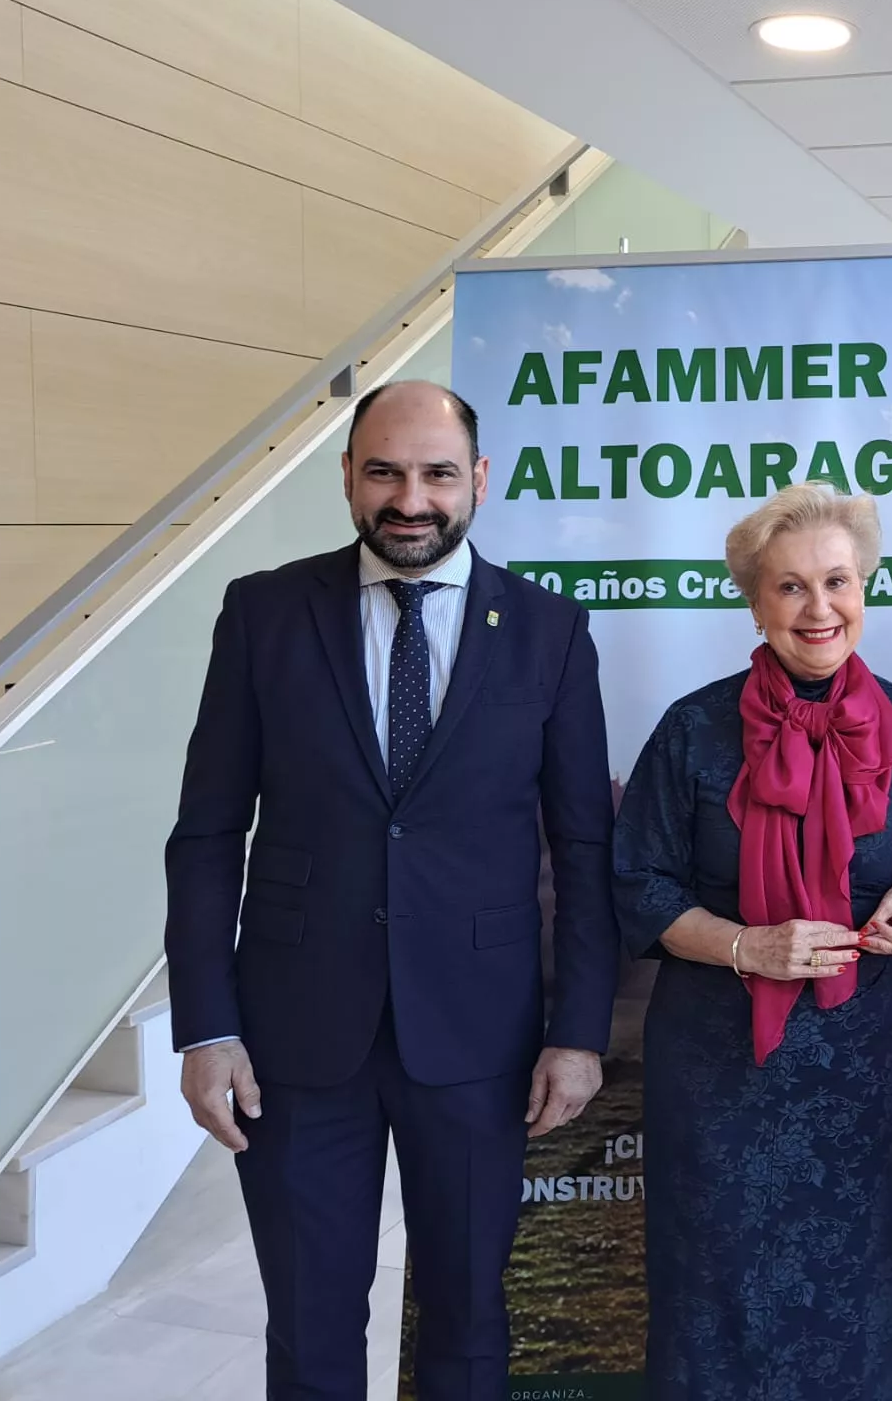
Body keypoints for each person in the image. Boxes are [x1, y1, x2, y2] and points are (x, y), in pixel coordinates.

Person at [164, 380, 620, 1399]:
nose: (409, 498)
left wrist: (578, 1030)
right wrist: (204, 1027)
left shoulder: (549, 631)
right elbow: (205, 837)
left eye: (436, 473)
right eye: (384, 471)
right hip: (291, 1039)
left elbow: (583, 846)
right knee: (312, 1322)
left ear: (479, 482)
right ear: (347, 478)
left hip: (478, 1038)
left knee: (466, 1317)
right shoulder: (265, 613)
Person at [612, 483, 892, 1400]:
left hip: (857, 1062)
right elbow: (635, 883)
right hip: (719, 1060)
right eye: (790, 587)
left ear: (866, 586)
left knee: (856, 1281)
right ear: (754, 601)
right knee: (712, 1282)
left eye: (837, 581)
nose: (818, 608)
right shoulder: (694, 726)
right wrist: (742, 947)